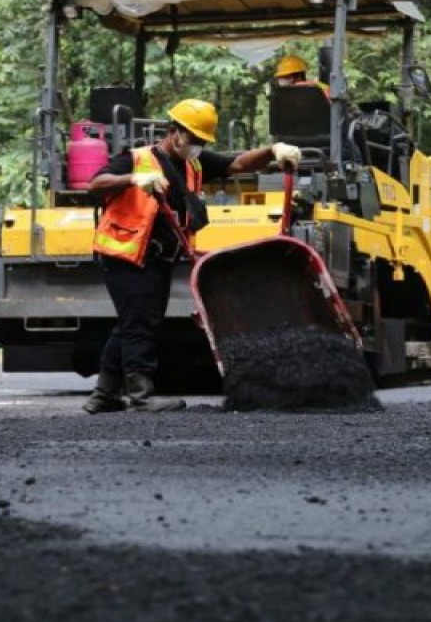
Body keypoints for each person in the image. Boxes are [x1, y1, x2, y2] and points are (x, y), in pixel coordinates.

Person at [82, 98, 302, 414]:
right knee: (140, 322)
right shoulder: (137, 159)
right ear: (174, 132)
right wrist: (133, 179)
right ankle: (140, 396)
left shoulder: (193, 163)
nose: (197, 145)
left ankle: (103, 395)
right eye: (194, 139)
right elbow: (96, 184)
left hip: (158, 257)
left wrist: (272, 151)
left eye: (202, 141)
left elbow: (237, 164)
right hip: (127, 254)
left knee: (134, 321)